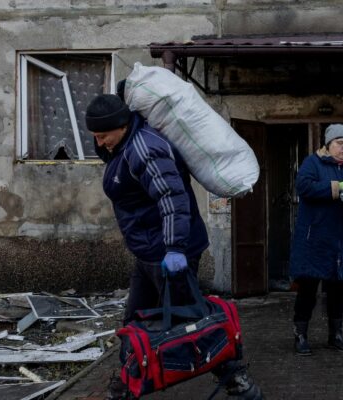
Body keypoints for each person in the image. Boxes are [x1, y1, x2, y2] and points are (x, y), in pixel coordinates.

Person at [85, 94, 261, 399]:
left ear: (123, 126)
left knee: (196, 323)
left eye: (103, 136)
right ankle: (126, 386)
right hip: (148, 253)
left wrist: (175, 248)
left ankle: (238, 382)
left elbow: (172, 199)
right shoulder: (124, 144)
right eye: (95, 137)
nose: (99, 143)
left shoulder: (145, 149)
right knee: (134, 323)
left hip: (167, 253)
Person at [288, 123, 343, 356]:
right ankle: (301, 335)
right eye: (340, 143)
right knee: (308, 288)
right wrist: (338, 187)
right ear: (328, 145)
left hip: (341, 238)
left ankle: (335, 335)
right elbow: (304, 187)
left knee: (338, 289)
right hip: (315, 238)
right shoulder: (313, 163)